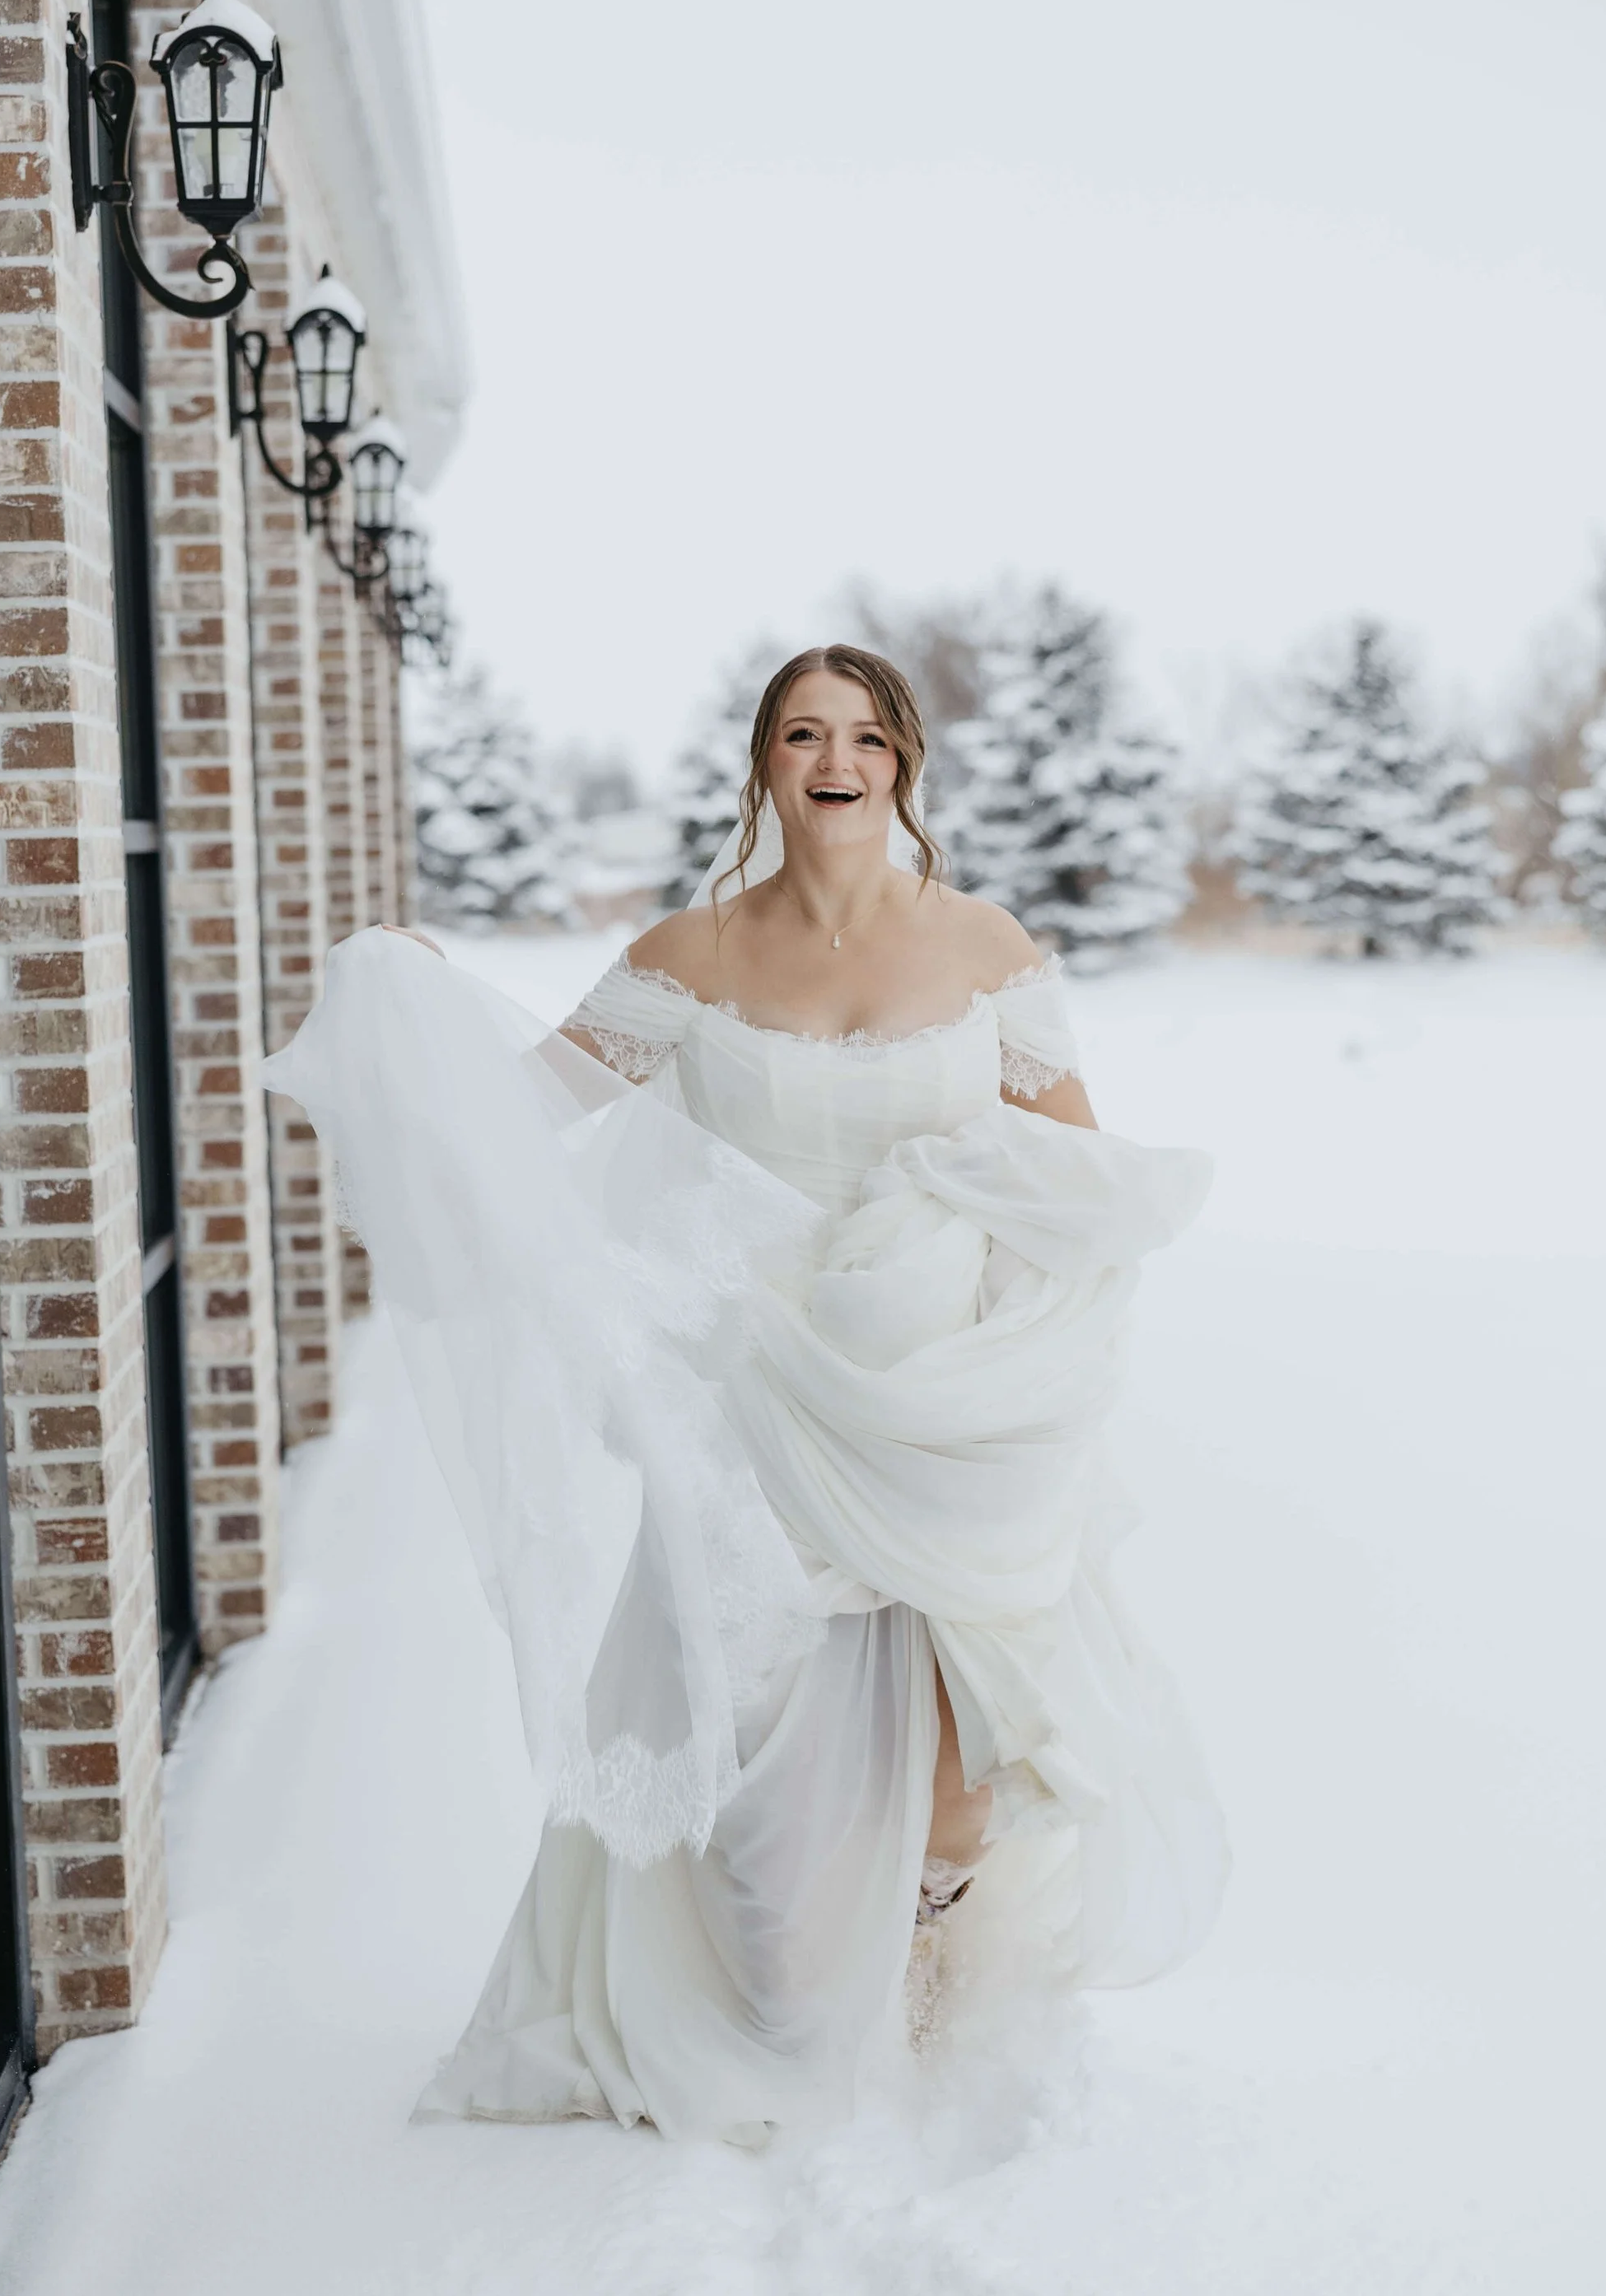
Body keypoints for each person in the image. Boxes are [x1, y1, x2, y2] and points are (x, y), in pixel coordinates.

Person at [267, 644, 1223, 2144]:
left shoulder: (987, 949)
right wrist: (421, 1014)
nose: (836, 761)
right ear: (764, 761)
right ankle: (771, 1990)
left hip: (934, 1408)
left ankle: (919, 1947)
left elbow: (1077, 1173)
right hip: (751, 1413)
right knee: (759, 1778)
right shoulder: (691, 955)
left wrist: (989, 1279)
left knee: (969, 1764)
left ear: (904, 763)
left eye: (865, 736)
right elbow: (520, 1125)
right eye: (803, 733)